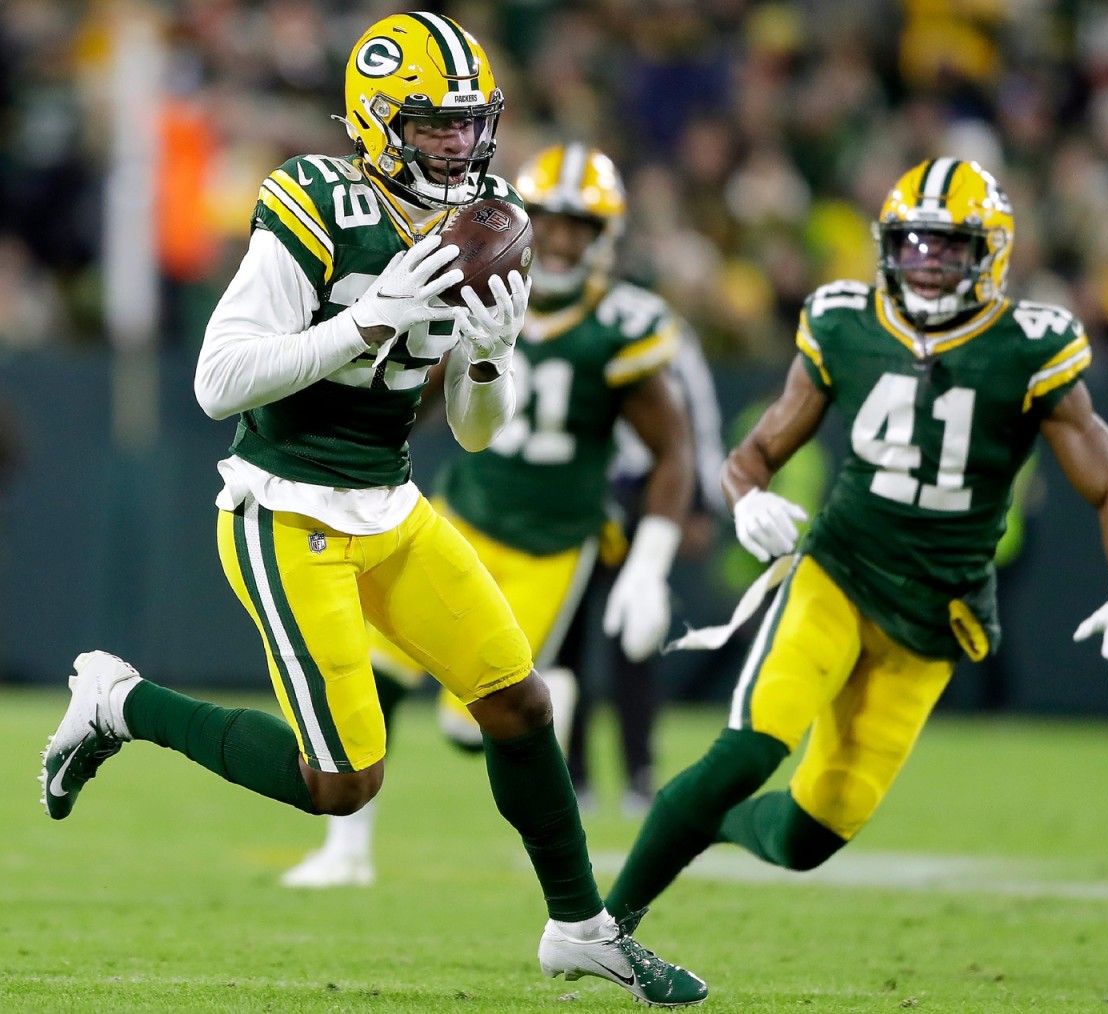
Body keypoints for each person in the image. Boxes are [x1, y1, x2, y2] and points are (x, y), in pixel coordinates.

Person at [37, 14, 706, 1007]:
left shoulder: (486, 221)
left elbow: (475, 429)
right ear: (378, 122)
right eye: (438, 127)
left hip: (389, 503)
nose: (464, 148)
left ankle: (581, 928)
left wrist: (488, 357)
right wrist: (368, 318)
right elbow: (219, 382)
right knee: (343, 781)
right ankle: (118, 702)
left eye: (474, 126)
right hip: (284, 508)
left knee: (522, 704)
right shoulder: (315, 198)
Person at [603, 157, 1108, 935]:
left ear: (991, 253)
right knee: (745, 753)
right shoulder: (845, 322)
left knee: (809, 839)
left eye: (947, 246)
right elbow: (754, 456)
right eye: (912, 244)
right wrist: (747, 503)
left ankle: (710, 825)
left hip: (933, 619)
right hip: (838, 573)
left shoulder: (1028, 347)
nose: (926, 263)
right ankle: (599, 927)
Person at [280, 140, 699, 889]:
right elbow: (428, 392)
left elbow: (673, 448)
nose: (563, 241)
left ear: (606, 237)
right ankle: (345, 851)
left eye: (580, 226)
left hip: (551, 543)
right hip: (463, 518)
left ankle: (556, 695)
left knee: (471, 724)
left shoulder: (624, 323)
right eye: (551, 222)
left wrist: (650, 562)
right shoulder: (476, 280)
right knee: (377, 678)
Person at [565, 323, 726, 817]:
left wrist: (699, 502)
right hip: (571, 489)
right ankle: (572, 774)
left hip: (639, 493)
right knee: (563, 640)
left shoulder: (659, 329)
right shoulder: (566, 321)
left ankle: (639, 771)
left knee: (635, 638)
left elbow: (696, 418)